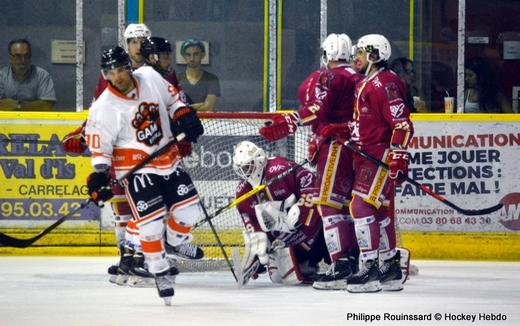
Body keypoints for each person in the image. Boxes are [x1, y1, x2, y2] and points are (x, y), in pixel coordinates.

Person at [84, 46, 204, 305]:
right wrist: (99, 178)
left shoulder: (150, 77)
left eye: (120, 69)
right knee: (149, 225)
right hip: (136, 169)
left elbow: (174, 101)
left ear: (129, 66)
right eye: (110, 72)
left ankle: (172, 242)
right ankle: (159, 270)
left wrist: (184, 116)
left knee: (189, 211)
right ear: (105, 75)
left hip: (169, 159)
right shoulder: (104, 107)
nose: (117, 76)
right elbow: (101, 150)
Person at [259, 33, 362, 290]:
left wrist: (288, 122)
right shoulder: (360, 78)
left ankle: (341, 264)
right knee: (348, 206)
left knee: (328, 206)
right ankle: (357, 260)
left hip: (335, 148)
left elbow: (318, 109)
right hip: (357, 150)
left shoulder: (329, 76)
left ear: (326, 55)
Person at [62, 24, 158, 287]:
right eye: (133, 41)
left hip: (153, 152)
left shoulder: (156, 72)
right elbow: (99, 113)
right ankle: (127, 259)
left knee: (153, 209)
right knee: (124, 210)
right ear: (127, 46)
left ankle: (150, 258)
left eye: (142, 40)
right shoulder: (112, 74)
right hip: (123, 153)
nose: (138, 45)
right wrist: (83, 134)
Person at [346, 34, 414, 293]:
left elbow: (402, 124)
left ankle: (369, 269)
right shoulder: (369, 82)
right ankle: (389, 267)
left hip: (378, 156)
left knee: (361, 206)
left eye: (361, 52)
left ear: (374, 55)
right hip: (366, 154)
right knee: (381, 212)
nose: (355, 57)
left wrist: (398, 154)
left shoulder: (386, 83)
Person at [232, 141, 329, 286]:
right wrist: (258, 246)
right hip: (290, 243)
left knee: (332, 230)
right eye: (242, 168)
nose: (245, 172)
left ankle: (345, 261)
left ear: (258, 160)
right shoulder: (242, 192)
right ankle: (304, 265)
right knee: (280, 277)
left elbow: (311, 182)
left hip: (316, 230)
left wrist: (301, 206)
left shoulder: (281, 168)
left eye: (247, 166)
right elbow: (251, 224)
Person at [0, 39, 55, 111]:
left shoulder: (42, 75)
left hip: (35, 120)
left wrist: (19, 105)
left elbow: (48, 105)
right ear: (10, 58)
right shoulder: (1, 76)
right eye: (18, 56)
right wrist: (34, 105)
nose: (23, 60)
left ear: (30, 57)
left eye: (26, 55)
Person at [177, 38, 220, 111]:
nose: (192, 58)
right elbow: (175, 107)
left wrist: (186, 108)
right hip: (183, 121)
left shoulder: (212, 79)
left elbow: (208, 108)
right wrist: (197, 106)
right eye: (188, 55)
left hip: (206, 121)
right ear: (184, 56)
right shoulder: (176, 79)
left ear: (203, 55)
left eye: (196, 54)